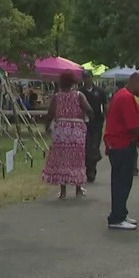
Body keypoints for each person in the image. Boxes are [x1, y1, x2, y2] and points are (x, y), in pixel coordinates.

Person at [104, 71, 139, 230]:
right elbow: (133, 126)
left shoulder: (121, 95)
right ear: (135, 82)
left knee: (123, 181)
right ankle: (116, 217)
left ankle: (121, 212)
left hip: (119, 143)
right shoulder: (127, 98)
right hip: (122, 144)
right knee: (122, 182)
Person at [41, 71, 92, 199]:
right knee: (77, 158)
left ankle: (63, 191)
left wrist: (46, 127)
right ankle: (78, 188)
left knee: (62, 158)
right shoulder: (79, 95)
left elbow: (50, 113)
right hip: (76, 130)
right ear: (73, 82)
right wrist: (88, 118)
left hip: (61, 129)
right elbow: (89, 109)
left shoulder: (57, 97)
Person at [80, 70, 109, 183]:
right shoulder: (80, 92)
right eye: (84, 77)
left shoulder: (100, 91)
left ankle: (92, 168)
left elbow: (105, 105)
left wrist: (108, 120)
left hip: (97, 121)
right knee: (86, 146)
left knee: (95, 146)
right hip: (84, 122)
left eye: (88, 77)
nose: (86, 79)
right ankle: (89, 170)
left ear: (92, 77)